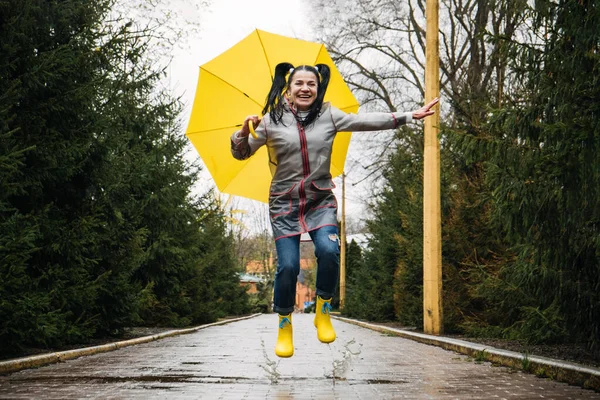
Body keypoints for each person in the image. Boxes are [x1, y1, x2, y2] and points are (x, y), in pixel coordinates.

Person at [231, 62, 439, 358]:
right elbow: (241, 153)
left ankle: (323, 309)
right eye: (299, 83)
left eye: (311, 84)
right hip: (284, 204)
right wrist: (243, 130)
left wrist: (407, 116)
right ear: (288, 90)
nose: (305, 88)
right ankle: (285, 324)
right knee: (288, 266)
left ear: (318, 88)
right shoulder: (271, 121)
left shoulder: (328, 115)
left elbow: (363, 121)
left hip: (320, 201)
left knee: (329, 253)